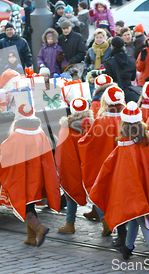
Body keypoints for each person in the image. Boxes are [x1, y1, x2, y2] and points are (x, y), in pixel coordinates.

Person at [89, 101, 149, 263]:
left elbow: (117, 169)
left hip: (132, 189)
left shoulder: (124, 145)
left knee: (142, 219)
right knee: (136, 217)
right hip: (147, 185)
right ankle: (128, 248)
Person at [0, 104, 61, 247]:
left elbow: (5, 157)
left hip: (21, 177)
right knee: (30, 204)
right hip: (37, 175)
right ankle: (31, 238)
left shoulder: (16, 136)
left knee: (24, 204)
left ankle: (39, 228)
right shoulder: (41, 133)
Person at [78, 86, 125, 232]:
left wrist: (84, 136)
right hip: (122, 164)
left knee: (100, 188)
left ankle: (106, 221)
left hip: (104, 162)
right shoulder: (126, 118)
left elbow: (89, 143)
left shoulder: (101, 121)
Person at [55, 98, 93, 234]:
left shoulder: (66, 127)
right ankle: (104, 221)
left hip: (73, 166)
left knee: (71, 192)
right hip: (91, 165)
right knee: (95, 191)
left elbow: (62, 153)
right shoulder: (94, 125)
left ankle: (70, 224)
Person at [103, 37, 138, 102]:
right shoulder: (131, 60)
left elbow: (109, 80)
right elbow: (133, 77)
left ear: (112, 46)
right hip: (129, 92)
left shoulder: (109, 62)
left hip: (115, 93)